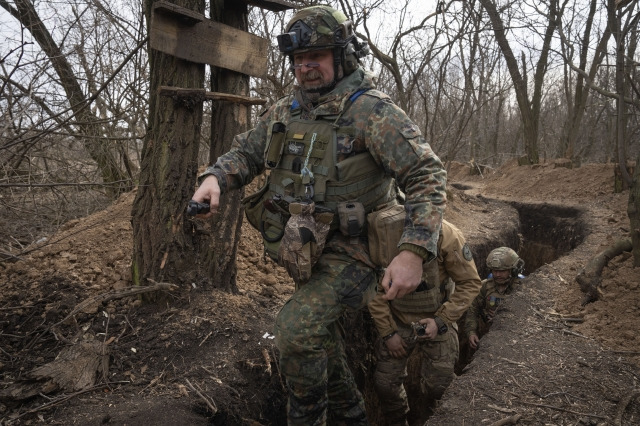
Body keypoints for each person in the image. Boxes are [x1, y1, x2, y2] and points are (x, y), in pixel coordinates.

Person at [191, 5, 447, 425]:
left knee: (295, 331)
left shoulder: (371, 112)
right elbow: (247, 151)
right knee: (318, 339)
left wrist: (414, 250)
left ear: (343, 57)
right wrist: (216, 178)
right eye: (298, 60)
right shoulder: (288, 110)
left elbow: (426, 173)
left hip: (357, 253)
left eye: (317, 57)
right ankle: (351, 415)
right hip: (308, 250)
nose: (305, 68)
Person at [368, 219, 482, 426]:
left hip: (439, 318)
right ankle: (397, 420)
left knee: (440, 387)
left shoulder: (447, 235)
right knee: (385, 385)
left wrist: (441, 320)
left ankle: (431, 419)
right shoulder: (382, 232)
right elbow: (374, 291)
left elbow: (470, 282)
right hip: (398, 323)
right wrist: (388, 333)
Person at [464, 247, 525, 351]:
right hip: (487, 334)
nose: (497, 274)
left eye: (502, 271)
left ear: (513, 270)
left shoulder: (522, 288)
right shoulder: (484, 286)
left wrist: (503, 316)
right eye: (494, 270)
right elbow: (472, 310)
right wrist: (471, 332)